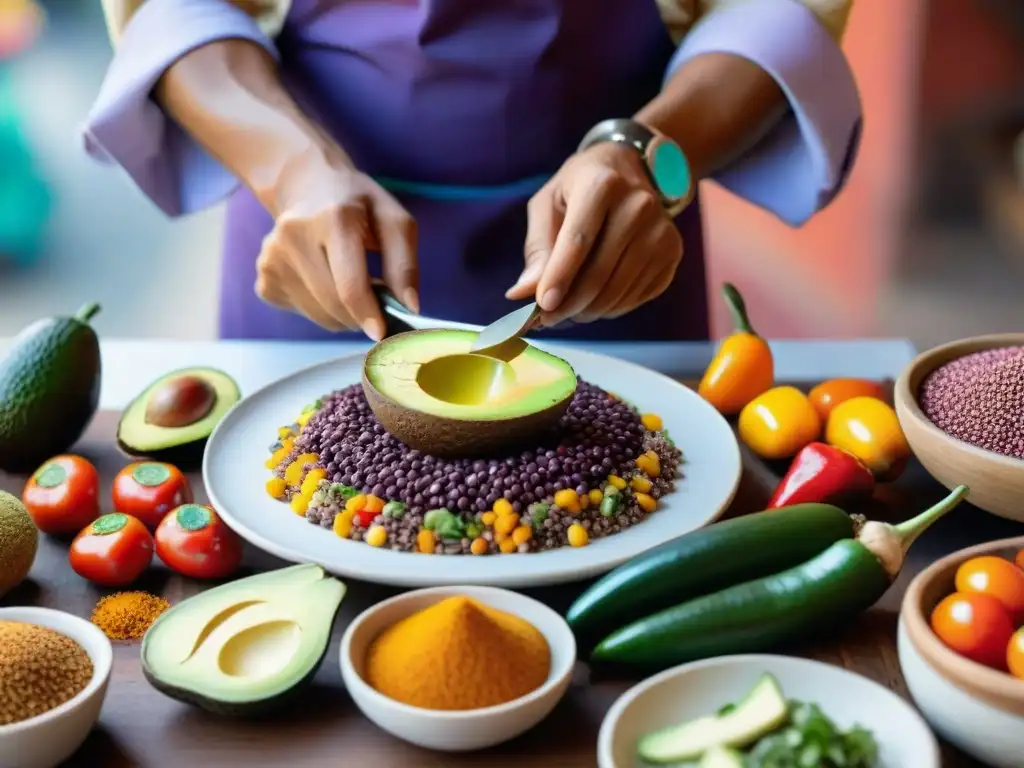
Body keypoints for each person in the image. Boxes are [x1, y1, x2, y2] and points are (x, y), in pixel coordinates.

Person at [86, 0, 860, 342]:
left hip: (618, 257)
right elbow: (175, 7)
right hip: (314, 262)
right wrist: (292, 170)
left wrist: (646, 151)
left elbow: (775, 10)